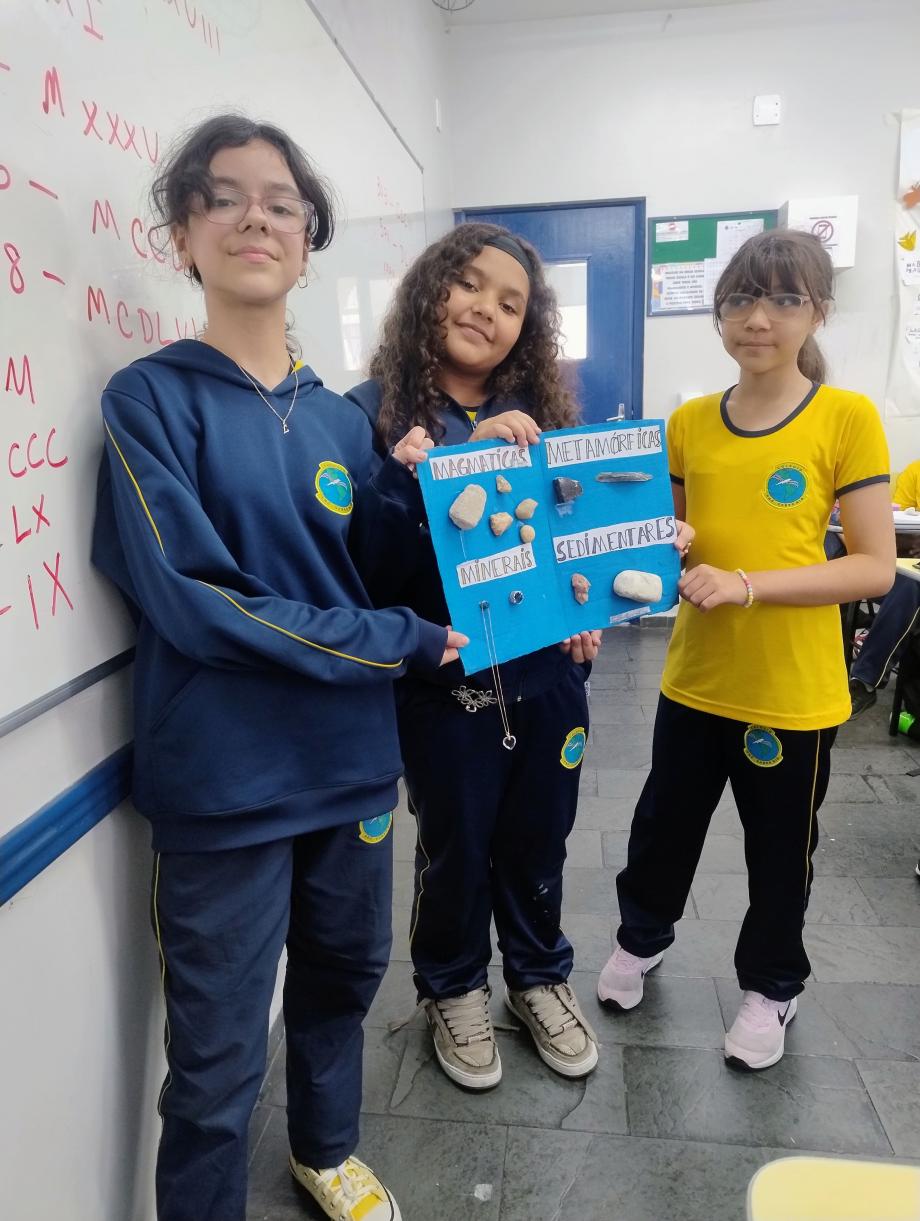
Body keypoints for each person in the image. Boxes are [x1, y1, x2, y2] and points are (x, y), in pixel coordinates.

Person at [92, 114, 465, 1221]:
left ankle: (326, 1148)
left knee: (343, 980)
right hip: (226, 784)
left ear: (308, 242)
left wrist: (484, 502)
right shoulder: (148, 399)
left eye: (281, 203)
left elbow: (391, 574)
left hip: (351, 769)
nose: (254, 217)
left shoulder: (346, 424)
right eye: (223, 196)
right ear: (182, 234)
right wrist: (394, 641)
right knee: (214, 1058)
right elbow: (198, 602)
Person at [348, 222, 692, 1090]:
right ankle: (453, 986)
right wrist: (414, 476)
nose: (487, 311)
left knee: (540, 839)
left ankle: (538, 975)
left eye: (511, 304)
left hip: (546, 682)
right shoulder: (370, 413)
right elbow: (364, 572)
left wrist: (607, 592)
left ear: (527, 328)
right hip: (444, 690)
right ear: (429, 291)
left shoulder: (543, 417)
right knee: (455, 848)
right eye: (469, 285)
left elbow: (569, 548)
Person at [597, 229, 895, 1071]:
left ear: (817, 312)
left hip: (792, 693)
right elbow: (669, 543)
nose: (758, 318)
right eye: (740, 299)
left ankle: (772, 984)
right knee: (662, 828)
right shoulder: (689, 422)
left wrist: (747, 582)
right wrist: (664, 545)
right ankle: (642, 936)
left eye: (784, 299)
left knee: (778, 852)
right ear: (720, 313)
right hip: (695, 679)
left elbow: (873, 566)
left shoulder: (846, 417)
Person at [848, 459, 920, 717]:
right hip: (908, 566)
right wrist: (910, 539)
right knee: (905, 582)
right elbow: (897, 522)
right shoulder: (916, 471)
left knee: (911, 586)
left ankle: (865, 681)